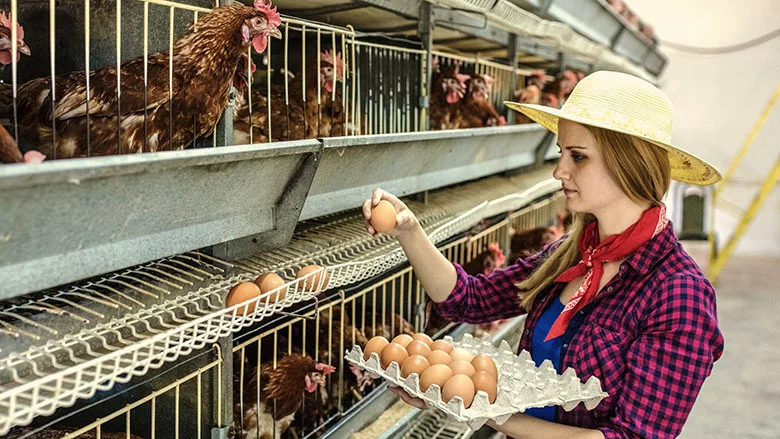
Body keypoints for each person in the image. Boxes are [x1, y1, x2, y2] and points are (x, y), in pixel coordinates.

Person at [362, 71, 724, 439]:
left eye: (578, 157)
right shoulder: (574, 255)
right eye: (561, 153)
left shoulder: (679, 295)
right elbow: (468, 300)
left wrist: (482, 410)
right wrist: (409, 230)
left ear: (628, 163)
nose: (558, 171)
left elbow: (632, 437)